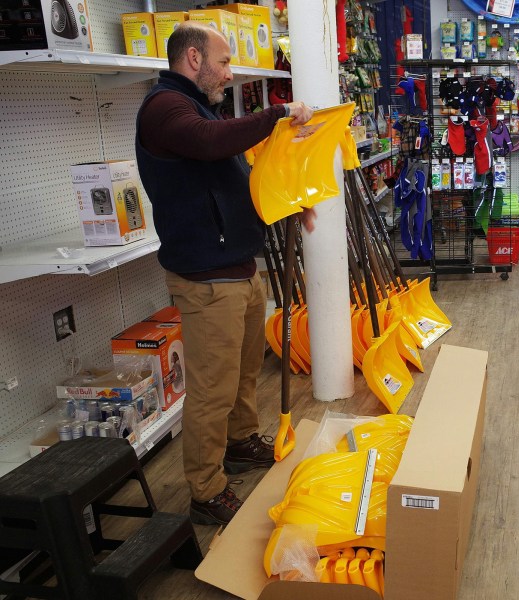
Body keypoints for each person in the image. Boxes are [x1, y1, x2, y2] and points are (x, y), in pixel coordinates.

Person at [135, 22, 315, 526]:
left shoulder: (200, 108)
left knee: (243, 373)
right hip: (207, 276)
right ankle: (206, 489)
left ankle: (239, 444)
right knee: (213, 387)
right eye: (224, 61)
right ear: (194, 59)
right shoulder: (166, 109)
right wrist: (276, 113)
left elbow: (235, 179)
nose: (229, 72)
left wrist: (286, 206)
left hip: (238, 268)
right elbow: (209, 143)